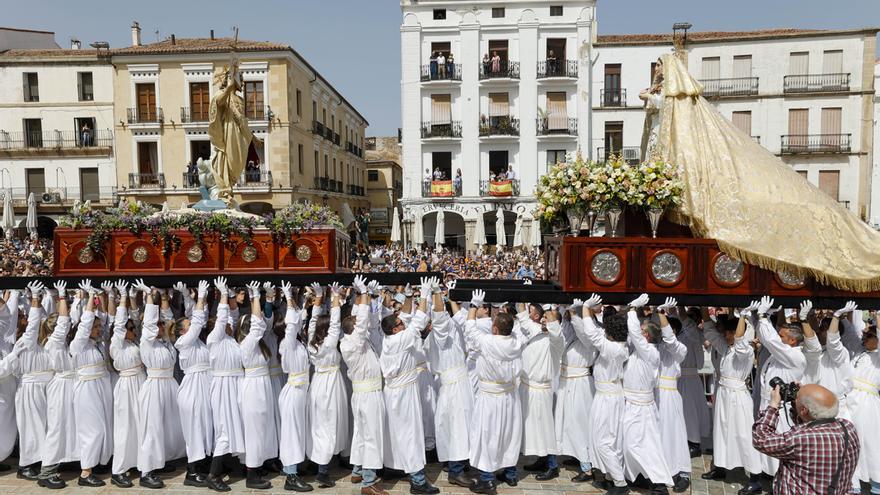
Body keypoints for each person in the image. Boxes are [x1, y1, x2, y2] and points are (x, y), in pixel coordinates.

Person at [379, 277, 439, 494]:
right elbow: (419, 321)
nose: (403, 322)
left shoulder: (389, 339)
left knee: (395, 432)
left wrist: (408, 295)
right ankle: (417, 480)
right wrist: (423, 295)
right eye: (399, 324)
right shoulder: (401, 340)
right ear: (395, 330)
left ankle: (394, 466)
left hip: (393, 391)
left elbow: (405, 315)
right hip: (404, 394)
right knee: (411, 433)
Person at [465, 289, 524, 495]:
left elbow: (470, 327)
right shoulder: (517, 343)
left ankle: (487, 480)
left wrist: (473, 305)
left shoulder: (488, 342)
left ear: (495, 329)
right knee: (510, 433)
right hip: (509, 395)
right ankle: (510, 473)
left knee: (487, 435)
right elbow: (521, 328)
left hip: (490, 396)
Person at [752, 383, 860, 495]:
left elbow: (761, 439)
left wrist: (773, 405)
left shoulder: (801, 439)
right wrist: (803, 399)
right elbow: (810, 425)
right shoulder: (848, 427)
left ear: (804, 410)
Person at [701, 302, 763, 494]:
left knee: (743, 434)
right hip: (724, 393)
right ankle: (720, 467)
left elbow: (741, 341)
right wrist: (700, 302)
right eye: (727, 333)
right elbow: (710, 331)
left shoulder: (744, 351)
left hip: (738, 396)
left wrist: (742, 317)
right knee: (721, 431)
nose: (727, 336)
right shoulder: (726, 348)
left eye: (730, 333)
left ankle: (755, 478)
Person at [135, 283, 186, 488]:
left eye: (161, 325)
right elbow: (149, 324)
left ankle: (160, 460)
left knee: (168, 427)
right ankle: (146, 470)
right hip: (154, 386)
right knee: (153, 427)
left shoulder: (165, 342)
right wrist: (150, 297)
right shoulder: (147, 343)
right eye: (157, 325)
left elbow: (169, 322)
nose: (160, 327)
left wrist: (164, 299)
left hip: (168, 385)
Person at [340, 277, 388, 495]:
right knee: (372, 435)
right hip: (368, 394)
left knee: (362, 433)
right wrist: (363, 293)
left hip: (365, 393)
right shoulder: (351, 344)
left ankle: (358, 469)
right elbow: (361, 322)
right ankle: (369, 482)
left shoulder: (357, 340)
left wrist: (364, 295)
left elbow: (366, 320)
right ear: (354, 329)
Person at [621, 294, 673, 494]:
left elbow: (633, 331)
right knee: (630, 444)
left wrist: (633, 311)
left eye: (643, 331)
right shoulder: (638, 351)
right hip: (632, 403)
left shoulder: (650, 352)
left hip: (642, 407)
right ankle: (639, 477)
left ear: (647, 337)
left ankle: (659, 484)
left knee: (641, 445)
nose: (638, 333)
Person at [754, 296, 806, 479]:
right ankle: (767, 479)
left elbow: (770, 341)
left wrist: (762, 317)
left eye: (782, 336)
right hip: (768, 405)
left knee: (777, 447)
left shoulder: (795, 357)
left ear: (792, 341)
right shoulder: (780, 354)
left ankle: (779, 480)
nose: (778, 338)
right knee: (766, 446)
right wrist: (765, 318)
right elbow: (770, 339)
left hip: (781, 411)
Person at [70, 280, 115, 487]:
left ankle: (98, 463)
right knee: (92, 429)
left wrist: (107, 296)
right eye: (94, 327)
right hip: (87, 389)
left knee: (104, 426)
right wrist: (89, 297)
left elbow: (106, 321)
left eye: (97, 327)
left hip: (101, 387)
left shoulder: (96, 344)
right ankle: (85, 473)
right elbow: (86, 322)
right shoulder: (78, 345)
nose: (98, 329)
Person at [428, 281, 473, 488]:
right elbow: (439, 317)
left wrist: (452, 298)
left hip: (460, 382)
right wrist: (437, 294)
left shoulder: (454, 326)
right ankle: (455, 470)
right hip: (453, 384)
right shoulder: (441, 334)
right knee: (457, 427)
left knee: (462, 425)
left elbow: (461, 318)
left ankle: (459, 462)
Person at [237, 281, 279, 489]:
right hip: (253, 388)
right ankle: (251, 474)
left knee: (263, 427)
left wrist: (266, 298)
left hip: (262, 386)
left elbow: (262, 324)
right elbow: (258, 324)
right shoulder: (246, 344)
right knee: (254, 429)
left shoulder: (258, 344)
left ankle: (258, 464)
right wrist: (255, 296)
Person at [307, 283, 349, 488]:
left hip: (317, 383)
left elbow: (313, 321)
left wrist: (318, 297)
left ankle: (320, 464)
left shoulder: (311, 343)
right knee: (329, 424)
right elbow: (335, 322)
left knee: (319, 424)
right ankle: (323, 472)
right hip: (331, 384)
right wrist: (333, 297)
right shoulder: (330, 342)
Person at [36, 281, 77, 489]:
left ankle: (68, 460)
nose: (68, 327)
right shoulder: (54, 342)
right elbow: (64, 322)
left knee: (71, 426)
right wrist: (62, 297)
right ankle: (47, 471)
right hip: (61, 385)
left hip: (70, 384)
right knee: (58, 427)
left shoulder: (62, 342)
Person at [205, 277, 244, 492]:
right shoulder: (215, 339)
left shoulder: (231, 339)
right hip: (222, 387)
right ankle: (213, 474)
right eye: (226, 324)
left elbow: (232, 314)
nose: (230, 324)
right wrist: (220, 296)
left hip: (235, 384)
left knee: (234, 427)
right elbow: (222, 320)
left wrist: (229, 298)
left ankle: (234, 464)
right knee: (224, 431)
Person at [516, 303, 563, 481]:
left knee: (544, 427)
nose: (543, 321)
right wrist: (523, 295)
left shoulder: (556, 341)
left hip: (541, 389)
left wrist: (551, 306)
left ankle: (553, 465)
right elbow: (522, 316)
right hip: (526, 387)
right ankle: (542, 459)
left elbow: (555, 331)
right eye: (542, 319)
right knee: (530, 427)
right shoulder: (535, 332)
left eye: (547, 319)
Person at [174, 281, 214, 488]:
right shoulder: (183, 343)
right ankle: (192, 471)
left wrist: (189, 298)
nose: (193, 327)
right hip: (192, 388)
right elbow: (196, 322)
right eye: (187, 327)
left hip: (204, 384)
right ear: (182, 332)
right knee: (195, 428)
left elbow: (196, 317)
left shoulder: (197, 341)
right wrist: (199, 296)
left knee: (206, 426)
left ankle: (204, 464)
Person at [108, 280, 146, 488]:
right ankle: (119, 470)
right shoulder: (117, 345)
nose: (132, 329)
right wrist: (121, 298)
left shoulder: (133, 343)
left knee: (141, 425)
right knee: (125, 427)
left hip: (140, 382)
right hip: (126, 386)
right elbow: (120, 324)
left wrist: (132, 299)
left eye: (131, 328)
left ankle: (141, 462)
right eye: (129, 328)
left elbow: (136, 320)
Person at [15, 281, 52, 481]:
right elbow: (34, 325)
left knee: (43, 427)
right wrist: (35, 299)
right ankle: (26, 464)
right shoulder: (26, 343)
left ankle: (39, 460)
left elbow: (45, 319)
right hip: (29, 389)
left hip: (43, 388)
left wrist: (49, 297)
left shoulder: (43, 345)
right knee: (30, 427)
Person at [655, 301, 691, 493]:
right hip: (655, 394)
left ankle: (682, 471)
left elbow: (670, 340)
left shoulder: (680, 349)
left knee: (674, 433)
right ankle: (660, 470)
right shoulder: (657, 346)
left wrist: (662, 314)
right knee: (658, 435)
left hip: (669, 394)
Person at [849, 323, 879, 493]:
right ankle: (854, 482)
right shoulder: (859, 353)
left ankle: (877, 483)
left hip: (867, 404)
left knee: (870, 442)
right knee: (852, 442)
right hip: (851, 400)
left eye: (869, 335)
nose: (864, 338)